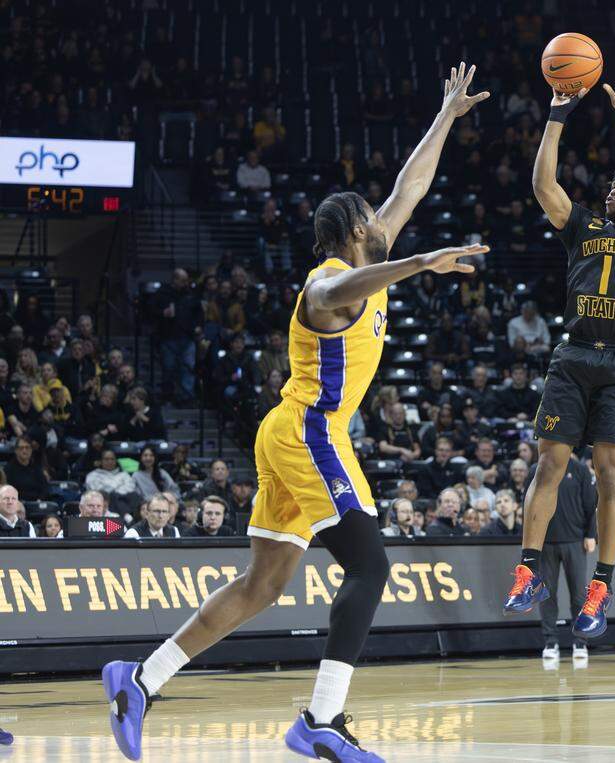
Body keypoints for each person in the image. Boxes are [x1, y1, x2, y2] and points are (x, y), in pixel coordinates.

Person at [101, 62, 490, 762]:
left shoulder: (366, 261)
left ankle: (140, 679)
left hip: (298, 434)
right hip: (307, 431)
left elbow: (412, 184)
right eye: (373, 219)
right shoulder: (327, 287)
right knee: (370, 564)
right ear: (352, 230)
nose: (384, 219)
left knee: (264, 584)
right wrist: (422, 262)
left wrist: (446, 116)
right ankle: (321, 718)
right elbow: (360, 278)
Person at [503, 63, 615, 643]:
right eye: (613, 185)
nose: (614, 189)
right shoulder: (582, 226)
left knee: (610, 472)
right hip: (573, 355)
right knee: (550, 465)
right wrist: (557, 116)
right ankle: (528, 570)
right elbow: (542, 187)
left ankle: (599, 587)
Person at [532, 452, 598, 662]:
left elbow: (590, 504)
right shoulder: (538, 469)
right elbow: (529, 505)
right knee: (547, 595)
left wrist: (591, 534)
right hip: (545, 542)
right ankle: (550, 642)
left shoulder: (579, 470)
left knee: (579, 595)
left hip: (575, 541)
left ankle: (580, 642)